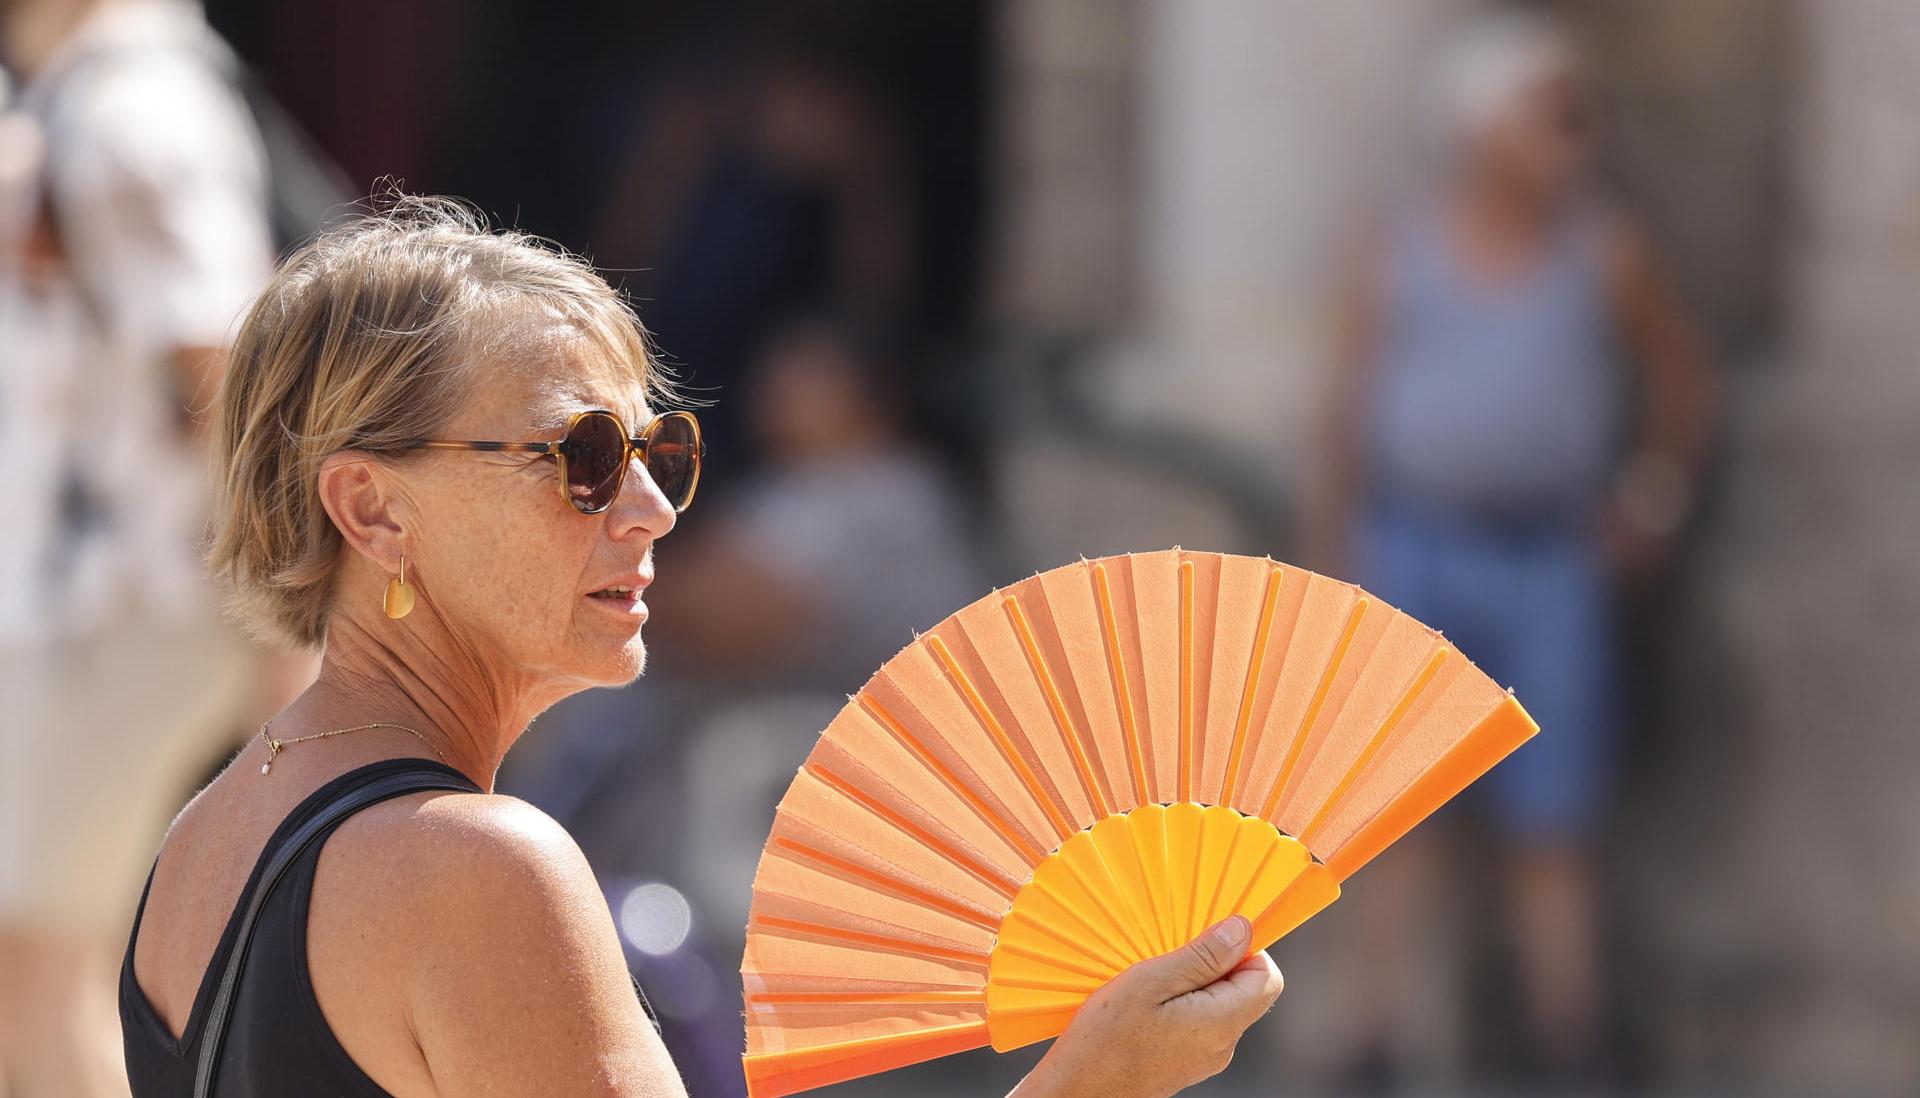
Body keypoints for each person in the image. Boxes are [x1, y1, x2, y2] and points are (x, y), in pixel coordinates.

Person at [116, 196, 1285, 1097]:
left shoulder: (201, 836)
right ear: (372, 510)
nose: (651, 508)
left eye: (656, 453)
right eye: (577, 457)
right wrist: (1096, 1079)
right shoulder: (478, 868)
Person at [1315, 10, 1712, 1083]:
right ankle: (1374, 1036)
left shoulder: (1603, 249)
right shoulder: (1399, 245)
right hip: (1417, 544)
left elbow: (1679, 380)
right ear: (1485, 130)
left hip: (1548, 559)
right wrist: (1344, 549)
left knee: (1554, 814)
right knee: (1395, 817)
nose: (1573, 144)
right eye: (1551, 119)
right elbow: (1350, 408)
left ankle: (1568, 1037)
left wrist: (1651, 499)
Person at [0, 1, 300, 1093]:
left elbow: (230, 379)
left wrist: (287, 617)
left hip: (138, 605)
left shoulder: (135, 106)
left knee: (30, 979)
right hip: (76, 610)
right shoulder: (77, 93)